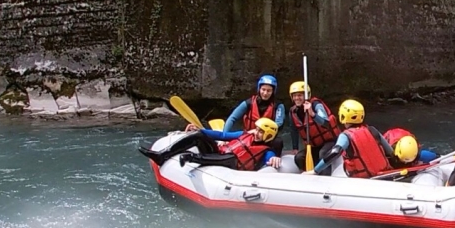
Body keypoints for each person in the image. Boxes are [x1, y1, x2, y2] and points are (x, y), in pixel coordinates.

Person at [139, 118, 283, 171]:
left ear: (268, 135)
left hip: (231, 165)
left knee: (232, 158)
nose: (256, 132)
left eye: (260, 131)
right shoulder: (244, 134)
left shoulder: (266, 150)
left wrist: (274, 159)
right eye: (257, 129)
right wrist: (200, 130)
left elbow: (269, 159)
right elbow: (222, 135)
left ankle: (193, 158)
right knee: (200, 136)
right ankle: (162, 155)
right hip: (218, 153)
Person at [306, 100, 394, 178]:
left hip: (363, 179)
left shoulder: (345, 135)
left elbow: (335, 152)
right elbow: (390, 151)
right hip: (383, 174)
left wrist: (315, 171)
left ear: (343, 116)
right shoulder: (372, 130)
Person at [287, 81, 341, 171]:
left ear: (307, 95)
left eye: (300, 95)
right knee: (299, 157)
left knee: (323, 153)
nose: (297, 98)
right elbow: (293, 130)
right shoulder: (293, 112)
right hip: (314, 146)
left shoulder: (316, 105)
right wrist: (295, 148)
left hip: (330, 141)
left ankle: (325, 178)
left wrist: (312, 114)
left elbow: (326, 122)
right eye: (294, 95)